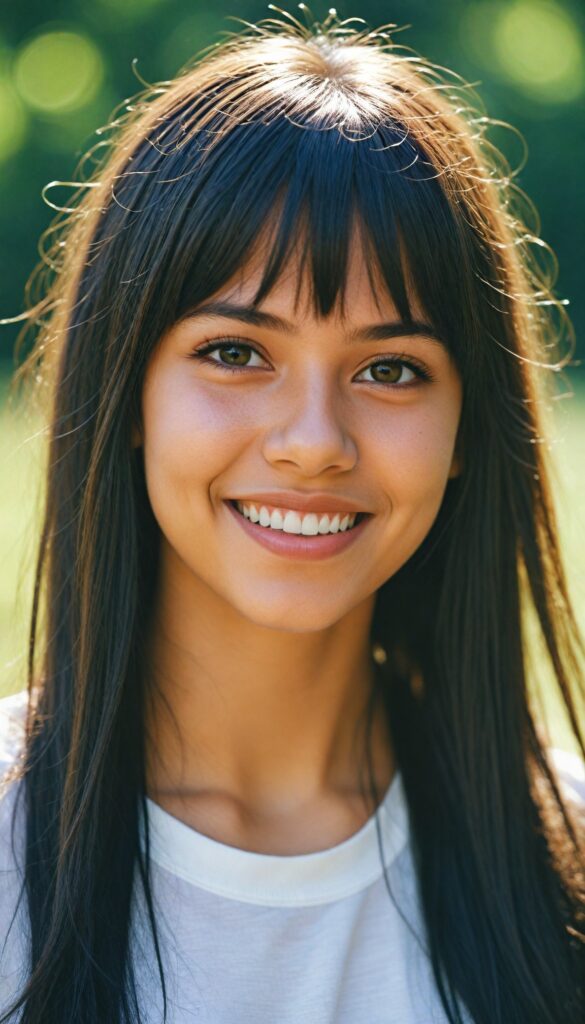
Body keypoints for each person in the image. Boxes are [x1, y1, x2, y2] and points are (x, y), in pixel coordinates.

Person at [0, 10, 583, 1024]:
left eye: (391, 368)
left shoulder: (563, 853)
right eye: (235, 352)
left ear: (466, 437)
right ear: (127, 388)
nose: (314, 440)